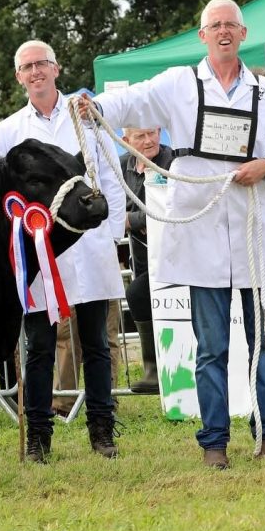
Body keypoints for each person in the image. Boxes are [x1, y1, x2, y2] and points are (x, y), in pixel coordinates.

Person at [85, 0, 265, 468]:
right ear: (202, 35)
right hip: (204, 236)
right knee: (211, 348)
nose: (224, 32)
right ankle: (214, 441)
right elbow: (132, 99)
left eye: (232, 25)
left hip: (254, 234)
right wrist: (96, 104)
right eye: (216, 25)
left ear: (243, 35)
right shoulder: (178, 85)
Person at [0, 40, 126, 462]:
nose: (35, 72)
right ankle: (38, 439)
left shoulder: (87, 117)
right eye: (27, 67)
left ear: (56, 68)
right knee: (39, 347)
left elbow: (112, 178)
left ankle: (102, 431)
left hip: (89, 246)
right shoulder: (9, 131)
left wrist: (110, 234)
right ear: (18, 76)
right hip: (38, 255)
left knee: (97, 343)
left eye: (41, 64)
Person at [119, 127, 175, 394]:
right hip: (142, 256)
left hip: (176, 254)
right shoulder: (120, 166)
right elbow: (112, 207)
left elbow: (171, 207)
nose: (148, 140)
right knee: (142, 297)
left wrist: (133, 220)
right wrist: (132, 221)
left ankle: (156, 371)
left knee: (138, 294)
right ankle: (155, 369)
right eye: (139, 136)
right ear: (125, 140)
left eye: (152, 133)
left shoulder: (173, 161)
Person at [53, 301, 123, 415]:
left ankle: (106, 400)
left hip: (105, 289)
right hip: (72, 288)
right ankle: (62, 404)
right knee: (67, 336)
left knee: (106, 339)